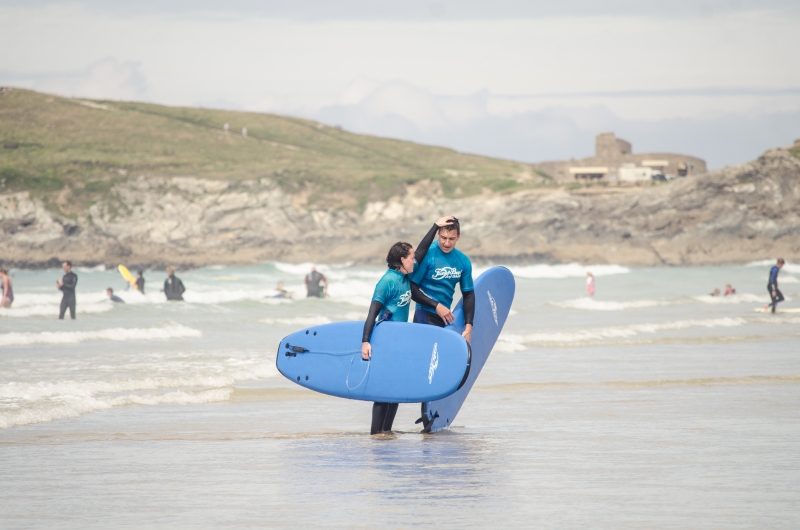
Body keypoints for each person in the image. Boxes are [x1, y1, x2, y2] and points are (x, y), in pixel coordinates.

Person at [362, 216, 457, 435]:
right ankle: (376, 435)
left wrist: (435, 225)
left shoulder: (405, 278)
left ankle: (387, 432)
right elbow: (372, 313)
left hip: (399, 341)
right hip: (385, 341)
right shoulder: (387, 282)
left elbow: (422, 251)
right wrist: (365, 341)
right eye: (411, 258)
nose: (415, 261)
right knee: (384, 390)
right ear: (402, 260)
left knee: (395, 389)